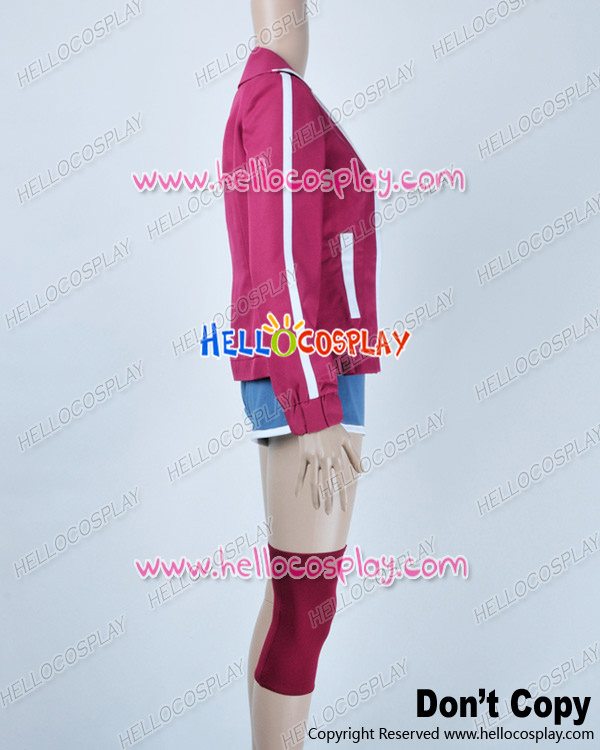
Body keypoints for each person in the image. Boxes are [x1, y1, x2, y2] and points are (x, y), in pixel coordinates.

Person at [221, 2, 382, 747]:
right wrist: (314, 406)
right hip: (310, 372)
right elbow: (281, 260)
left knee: (293, 599)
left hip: (308, 367)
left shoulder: (273, 92)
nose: (304, 14)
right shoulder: (279, 93)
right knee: (305, 607)